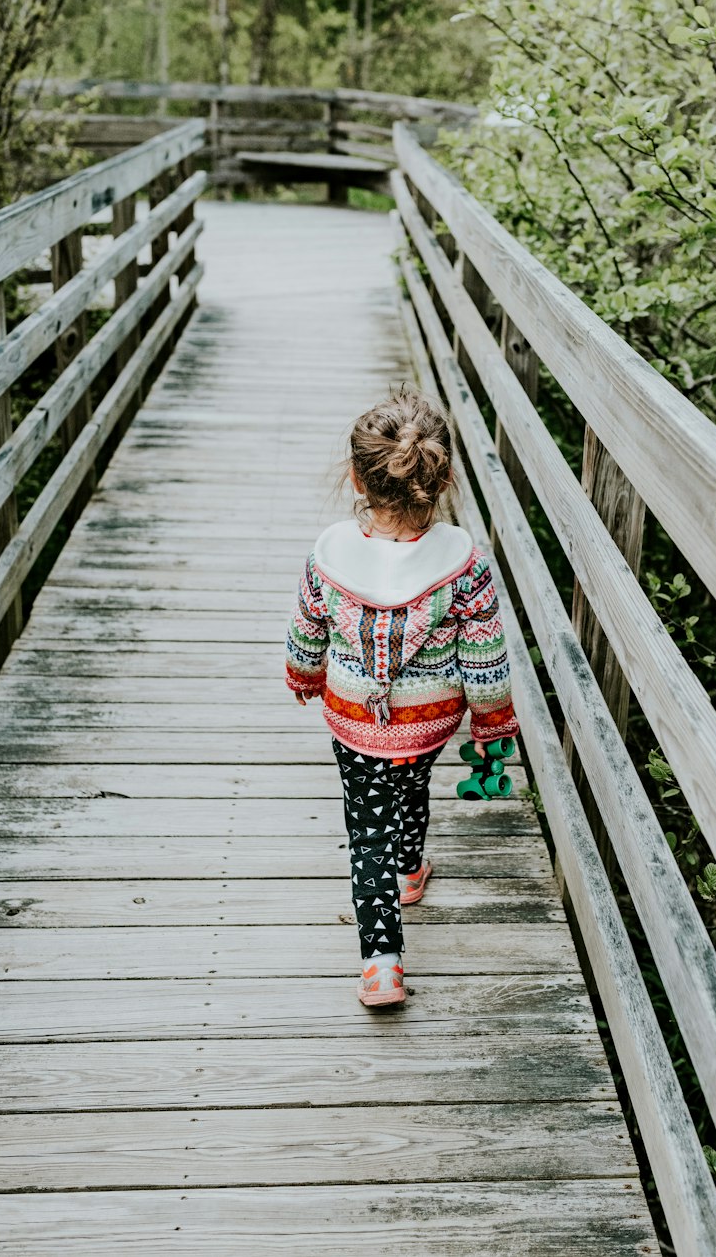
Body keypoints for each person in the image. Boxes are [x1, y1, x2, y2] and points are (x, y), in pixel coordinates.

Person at [285, 387, 519, 1008]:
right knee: (411, 778)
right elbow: (485, 656)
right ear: (439, 480)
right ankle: (411, 869)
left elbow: (308, 629)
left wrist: (305, 673)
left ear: (358, 479)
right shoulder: (463, 561)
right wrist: (492, 721)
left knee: (366, 830)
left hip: (357, 715)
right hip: (430, 717)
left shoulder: (330, 554)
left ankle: (382, 963)